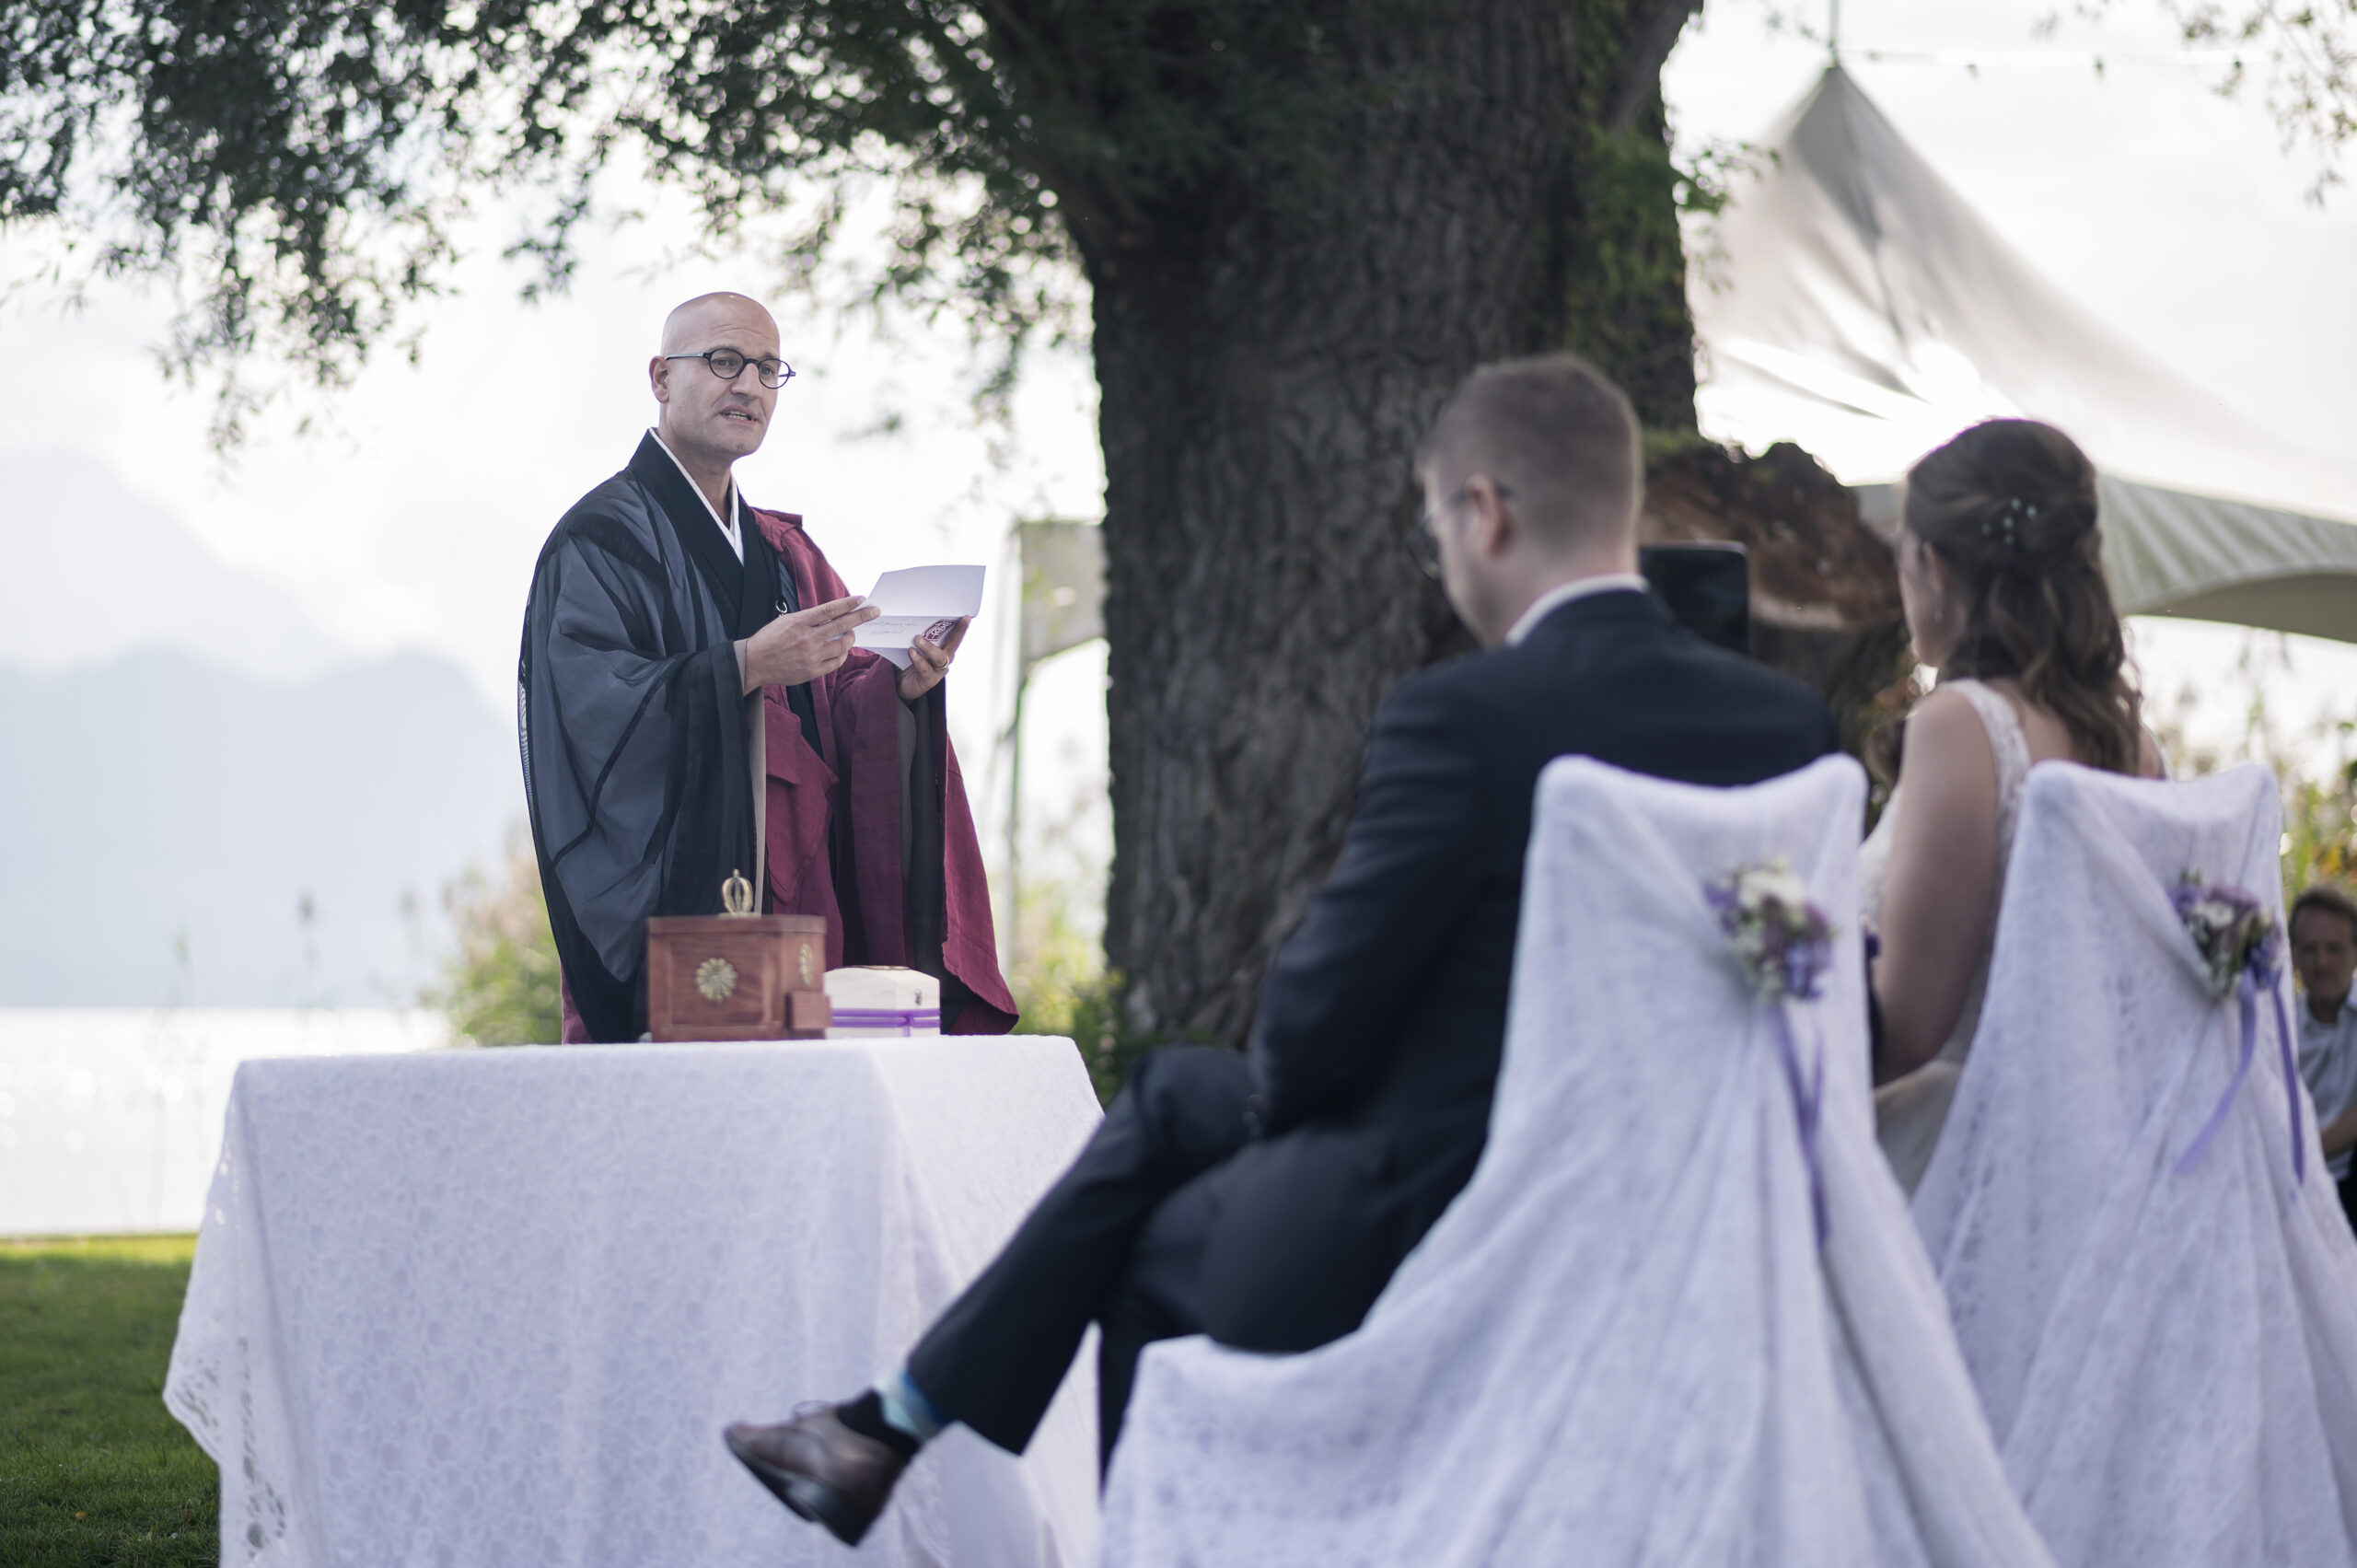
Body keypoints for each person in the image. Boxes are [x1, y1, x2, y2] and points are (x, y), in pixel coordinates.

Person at [721, 353, 1842, 1546]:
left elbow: (1311, 1030)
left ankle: (932, 1443)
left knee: (1149, 1224)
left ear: (1486, 510)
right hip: (1687, 1185)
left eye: (1434, 528)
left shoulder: (1461, 718)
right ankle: (883, 1420)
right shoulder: (1784, 728)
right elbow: (1806, 990)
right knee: (1170, 1095)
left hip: (1448, 1204)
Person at [518, 292, 1015, 1042]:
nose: (747, 385)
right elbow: (589, 712)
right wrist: (744, 664)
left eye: (767, 369)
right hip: (685, 918)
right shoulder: (597, 542)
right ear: (661, 378)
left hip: (804, 909)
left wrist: (899, 686)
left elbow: (837, 706)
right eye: (723, 361)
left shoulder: (785, 554)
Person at [1865, 418, 2162, 1191]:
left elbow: (1907, 1031)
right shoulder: (2137, 749)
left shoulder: (1963, 727)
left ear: (1932, 564)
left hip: (1942, 1176)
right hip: (2081, 1174)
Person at [2293, 884, 2357, 1229]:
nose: (2322, 962)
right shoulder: (2279, 1029)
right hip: (2297, 1187)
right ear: (2293, 956)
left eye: (2334, 949)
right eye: (2310, 949)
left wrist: (2309, 1151)